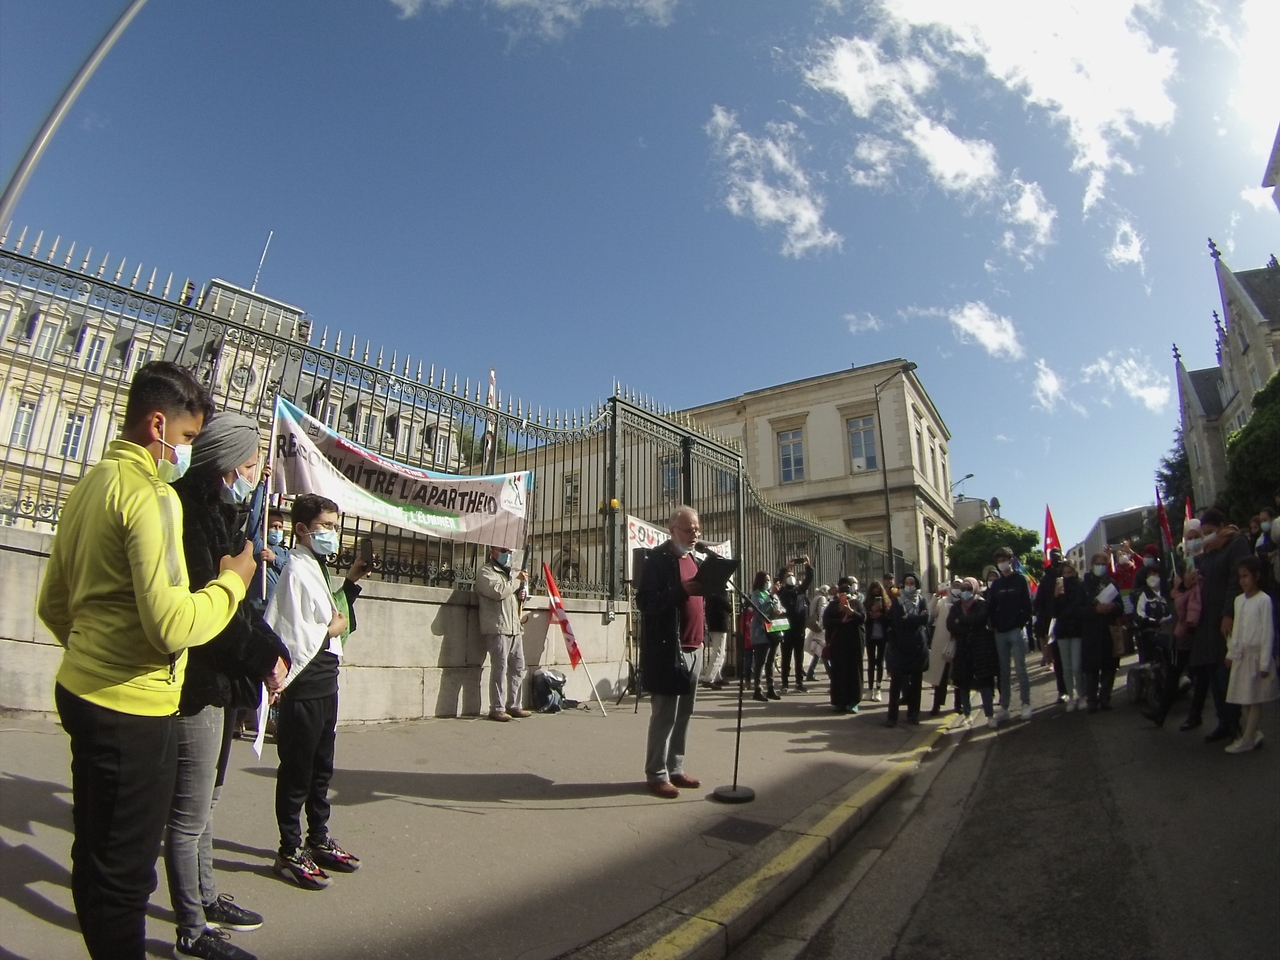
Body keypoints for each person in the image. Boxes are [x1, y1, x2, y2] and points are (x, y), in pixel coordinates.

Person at [37, 362, 256, 960]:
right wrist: (232, 584)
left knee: (96, 851)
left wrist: (93, 655)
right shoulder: (152, 496)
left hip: (82, 689)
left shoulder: (93, 481)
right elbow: (171, 625)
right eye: (187, 437)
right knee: (127, 875)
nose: (187, 452)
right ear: (158, 425)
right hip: (134, 709)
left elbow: (53, 602)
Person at [166, 413, 291, 960]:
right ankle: (191, 929)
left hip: (223, 681)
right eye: (250, 463)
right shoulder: (188, 513)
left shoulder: (224, 513)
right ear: (226, 463)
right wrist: (266, 657)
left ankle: (207, 897)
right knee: (188, 814)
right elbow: (212, 609)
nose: (257, 472)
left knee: (207, 803)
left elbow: (240, 603)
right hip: (196, 681)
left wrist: (273, 652)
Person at [266, 494, 369, 888]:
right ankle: (290, 848)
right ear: (302, 529)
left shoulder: (316, 566)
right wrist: (330, 631)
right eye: (325, 526)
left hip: (326, 682)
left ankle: (318, 837)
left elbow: (329, 612)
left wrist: (351, 583)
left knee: (322, 767)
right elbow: (292, 632)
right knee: (297, 770)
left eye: (334, 526)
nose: (332, 533)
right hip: (305, 685)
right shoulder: (295, 569)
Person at [636, 505, 706, 799]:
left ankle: (675, 767)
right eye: (688, 530)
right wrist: (680, 590)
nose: (694, 534)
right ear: (672, 530)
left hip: (695, 647)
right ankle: (657, 773)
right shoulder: (657, 561)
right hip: (669, 650)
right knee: (665, 714)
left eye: (697, 529)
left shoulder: (696, 560)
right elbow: (646, 603)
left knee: (685, 713)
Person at [1186, 508, 1252, 742]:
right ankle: (1224, 722)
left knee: (1227, 676)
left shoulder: (1236, 543)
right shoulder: (1208, 551)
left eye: (1210, 531)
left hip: (1226, 619)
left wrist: (1228, 614)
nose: (1207, 537)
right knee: (1214, 676)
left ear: (1222, 526)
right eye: (1204, 533)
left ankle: (1236, 724)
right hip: (1208, 622)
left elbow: (1236, 580)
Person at [1224, 557, 1278, 752]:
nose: (1243, 581)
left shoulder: (1264, 600)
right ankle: (1254, 733)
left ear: (1256, 576)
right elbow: (1237, 629)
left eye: (1246, 576)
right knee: (1242, 697)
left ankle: (1247, 738)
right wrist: (1231, 653)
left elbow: (1267, 633)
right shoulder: (1239, 601)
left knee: (1255, 699)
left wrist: (1264, 663)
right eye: (1240, 577)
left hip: (1256, 656)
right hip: (1242, 656)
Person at [1143, 561, 1201, 727]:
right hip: (1181, 637)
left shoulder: (1190, 589)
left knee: (1181, 676)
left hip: (1185, 637)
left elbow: (1182, 610)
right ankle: (1163, 714)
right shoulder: (1180, 588)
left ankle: (1187, 715)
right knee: (1175, 676)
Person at [476, 544, 529, 721]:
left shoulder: (510, 574)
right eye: (504, 551)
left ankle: (514, 704)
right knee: (500, 668)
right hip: (498, 627)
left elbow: (511, 596)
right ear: (493, 552)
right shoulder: (486, 572)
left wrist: (521, 595)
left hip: (514, 627)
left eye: (509, 552)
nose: (508, 554)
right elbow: (498, 592)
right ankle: (497, 707)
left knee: (518, 667)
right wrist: (516, 582)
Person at [986, 546, 1034, 721]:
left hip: (1015, 630)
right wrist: (994, 625)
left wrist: (1019, 624)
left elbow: (1027, 606)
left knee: (1021, 669)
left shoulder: (1020, 580)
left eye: (1004, 560)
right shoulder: (996, 584)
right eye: (999, 561)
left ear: (1011, 560)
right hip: (1000, 632)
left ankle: (1025, 703)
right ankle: (1004, 706)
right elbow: (991, 607)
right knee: (1003, 671)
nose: (1001, 563)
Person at [947, 578, 1000, 728]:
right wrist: (966, 625)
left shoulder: (981, 604)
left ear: (975, 589)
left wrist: (961, 621)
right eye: (963, 589)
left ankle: (989, 715)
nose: (965, 592)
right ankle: (967, 715)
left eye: (969, 589)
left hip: (981, 649)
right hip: (963, 650)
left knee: (985, 682)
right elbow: (950, 625)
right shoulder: (956, 606)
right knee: (964, 683)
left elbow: (979, 619)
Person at [885, 573, 930, 726]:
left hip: (917, 646)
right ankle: (892, 717)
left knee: (916, 683)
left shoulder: (921, 600)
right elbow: (898, 621)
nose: (909, 585)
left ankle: (913, 714)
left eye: (912, 583)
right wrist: (916, 619)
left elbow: (926, 619)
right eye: (907, 583)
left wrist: (909, 618)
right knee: (896, 683)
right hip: (900, 646)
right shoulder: (897, 601)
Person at [1081, 552, 1122, 713]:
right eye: (1098, 564)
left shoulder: (1112, 583)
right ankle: (1092, 700)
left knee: (1109, 667)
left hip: (1108, 629)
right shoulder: (1084, 585)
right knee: (1091, 669)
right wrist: (1095, 610)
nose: (1101, 567)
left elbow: (1121, 606)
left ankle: (1105, 698)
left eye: (1103, 564)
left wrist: (1114, 606)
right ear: (1092, 565)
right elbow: (1078, 610)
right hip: (1091, 631)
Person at [823, 579, 864, 713]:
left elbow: (863, 618)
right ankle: (839, 701)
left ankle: (853, 701)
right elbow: (826, 622)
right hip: (838, 644)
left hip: (854, 643)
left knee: (854, 672)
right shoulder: (833, 605)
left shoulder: (857, 603)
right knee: (838, 672)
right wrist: (841, 621)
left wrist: (851, 612)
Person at [1052, 562, 1088, 711]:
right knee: (1066, 668)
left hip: (1077, 630)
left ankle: (1082, 695)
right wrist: (1055, 596)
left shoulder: (1080, 586)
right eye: (1064, 573)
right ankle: (1071, 697)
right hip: (1062, 631)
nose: (1067, 576)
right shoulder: (1059, 588)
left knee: (1077, 666)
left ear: (1074, 572)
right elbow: (1053, 612)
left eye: (1069, 572)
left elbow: (1080, 606)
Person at [777, 556, 813, 693]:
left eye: (792, 575)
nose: (791, 577)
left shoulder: (799, 591)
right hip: (786, 627)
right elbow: (777, 580)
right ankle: (784, 684)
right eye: (788, 576)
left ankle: (799, 682)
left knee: (799, 657)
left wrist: (808, 566)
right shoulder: (782, 591)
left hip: (799, 628)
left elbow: (808, 580)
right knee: (786, 657)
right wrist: (786, 568)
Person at [925, 580, 962, 716]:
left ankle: (959, 704)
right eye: (955, 585)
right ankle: (937, 705)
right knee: (941, 675)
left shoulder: (965, 602)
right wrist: (936, 596)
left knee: (958, 675)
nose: (956, 588)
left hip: (959, 642)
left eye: (959, 586)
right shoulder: (944, 602)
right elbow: (931, 611)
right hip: (942, 642)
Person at [748, 570, 785, 702]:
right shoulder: (756, 594)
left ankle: (770, 688)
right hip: (761, 631)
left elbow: (780, 606)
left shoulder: (771, 594)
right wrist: (771, 595)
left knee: (771, 660)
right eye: (765, 580)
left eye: (769, 580)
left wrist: (779, 610)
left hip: (774, 629)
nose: (768, 583)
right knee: (760, 661)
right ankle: (757, 689)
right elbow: (759, 611)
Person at [699, 589, 731, 690]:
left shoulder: (710, 594)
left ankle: (717, 676)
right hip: (719, 625)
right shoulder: (719, 593)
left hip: (713, 625)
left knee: (721, 652)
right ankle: (708, 678)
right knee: (718, 652)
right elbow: (728, 607)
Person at [864, 582, 890, 701]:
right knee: (871, 662)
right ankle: (869, 689)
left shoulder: (886, 603)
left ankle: (878, 688)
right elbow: (863, 618)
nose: (876, 592)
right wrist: (870, 614)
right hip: (870, 636)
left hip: (882, 636)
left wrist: (881, 614)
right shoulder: (866, 603)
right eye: (874, 589)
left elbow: (889, 619)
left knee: (880, 662)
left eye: (878, 590)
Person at [804, 584, 832, 682]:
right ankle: (831, 674)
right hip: (820, 627)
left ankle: (810, 672)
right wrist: (824, 625)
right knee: (822, 649)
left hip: (815, 626)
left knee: (818, 651)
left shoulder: (816, 598)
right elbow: (822, 613)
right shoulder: (822, 599)